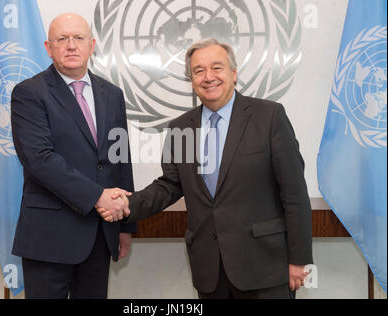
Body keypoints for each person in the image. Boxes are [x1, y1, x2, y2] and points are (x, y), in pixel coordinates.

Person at [98, 38, 313, 299]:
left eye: (217, 68)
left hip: (265, 267)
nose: (208, 77)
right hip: (211, 271)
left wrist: (300, 261)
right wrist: (127, 204)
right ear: (192, 80)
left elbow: (295, 194)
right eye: (199, 71)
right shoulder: (181, 127)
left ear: (234, 73)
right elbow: (169, 185)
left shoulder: (269, 117)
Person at [10, 12, 134, 299]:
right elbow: (39, 159)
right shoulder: (29, 93)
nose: (70, 45)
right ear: (48, 47)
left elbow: (120, 159)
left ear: (91, 45)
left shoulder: (112, 94)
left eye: (78, 38)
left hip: (100, 235)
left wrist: (126, 225)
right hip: (48, 237)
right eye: (61, 39)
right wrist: (98, 197)